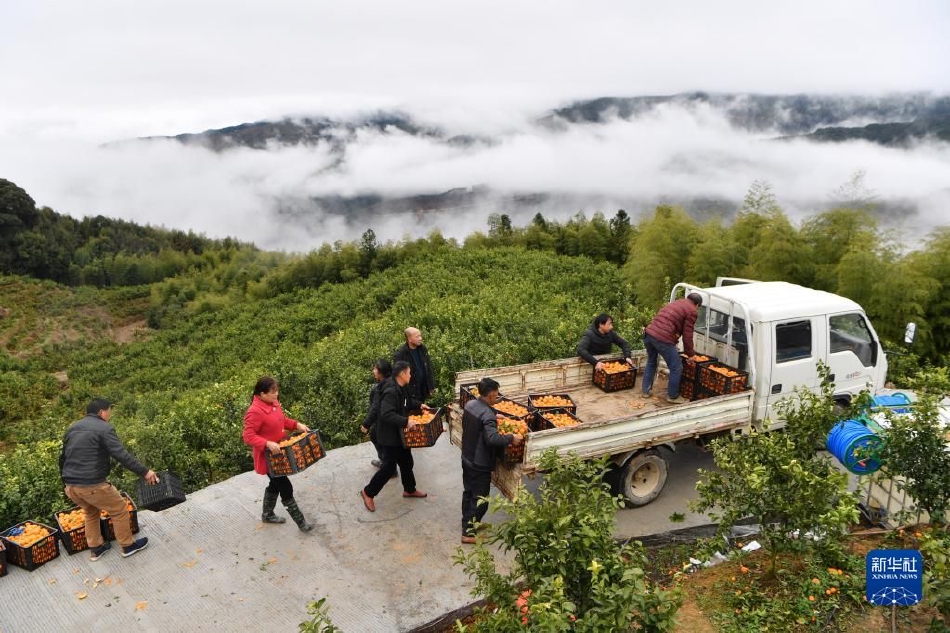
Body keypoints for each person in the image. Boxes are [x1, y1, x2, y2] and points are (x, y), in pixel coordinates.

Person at [60, 398, 157, 561]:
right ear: (101, 412)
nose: (110, 414)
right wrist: (145, 472)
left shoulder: (73, 428)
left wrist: (65, 483)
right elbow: (121, 455)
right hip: (92, 484)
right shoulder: (104, 428)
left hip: (71, 486)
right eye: (109, 411)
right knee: (119, 509)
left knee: (91, 511)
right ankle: (128, 545)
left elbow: (62, 458)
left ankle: (96, 548)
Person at [242, 376, 313, 532]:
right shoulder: (254, 412)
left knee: (275, 484)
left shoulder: (273, 403)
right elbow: (248, 436)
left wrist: (297, 425)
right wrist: (266, 443)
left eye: (276, 391)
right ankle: (301, 523)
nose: (276, 394)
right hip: (269, 458)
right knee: (285, 487)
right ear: (262, 394)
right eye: (273, 392)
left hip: (280, 453)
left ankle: (267, 514)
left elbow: (282, 420)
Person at [359, 361, 431, 512]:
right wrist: (406, 422)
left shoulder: (401, 387)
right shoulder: (391, 390)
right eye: (409, 372)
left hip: (399, 434)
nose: (411, 375)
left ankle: (409, 490)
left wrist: (419, 405)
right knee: (388, 467)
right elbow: (386, 414)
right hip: (389, 435)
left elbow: (406, 402)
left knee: (406, 462)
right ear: (402, 374)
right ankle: (368, 492)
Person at [459, 377, 523, 544]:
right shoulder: (487, 414)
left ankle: (469, 522)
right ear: (490, 395)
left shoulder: (471, 404)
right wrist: (511, 437)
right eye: (496, 395)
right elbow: (492, 439)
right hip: (479, 463)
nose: (497, 397)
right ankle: (467, 533)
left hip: (466, 456)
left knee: (469, 491)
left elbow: (481, 417)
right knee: (481, 499)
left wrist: (495, 415)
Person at [641, 292, 703, 404]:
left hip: (649, 334)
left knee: (651, 361)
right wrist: (691, 354)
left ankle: (645, 391)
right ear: (697, 305)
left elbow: (667, 321)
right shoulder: (692, 311)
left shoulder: (676, 303)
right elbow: (688, 335)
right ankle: (673, 396)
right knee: (676, 367)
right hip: (662, 339)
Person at [360, 358, 397, 477]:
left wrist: (366, 424)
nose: (373, 371)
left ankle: (388, 467)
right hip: (392, 419)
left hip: (383, 421)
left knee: (376, 437)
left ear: (381, 372)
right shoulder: (393, 381)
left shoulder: (379, 388)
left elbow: (375, 408)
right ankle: (388, 464)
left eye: (375, 368)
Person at [393, 327, 435, 403]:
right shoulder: (400, 354)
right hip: (410, 392)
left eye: (420, 336)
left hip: (423, 389)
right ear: (409, 339)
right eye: (417, 336)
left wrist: (431, 386)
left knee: (423, 411)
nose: (420, 338)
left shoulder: (422, 349)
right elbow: (398, 376)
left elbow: (428, 367)